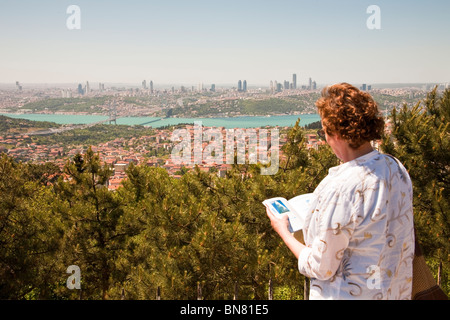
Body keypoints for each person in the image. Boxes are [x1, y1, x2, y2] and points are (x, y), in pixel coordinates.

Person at [267, 83, 415, 300]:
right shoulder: (395, 167)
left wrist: (284, 233)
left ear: (336, 133)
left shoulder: (341, 188)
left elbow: (321, 267)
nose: (325, 139)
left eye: (325, 131)